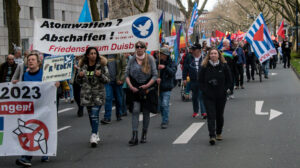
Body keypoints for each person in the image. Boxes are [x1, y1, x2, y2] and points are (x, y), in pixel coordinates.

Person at [15, 53, 60, 167]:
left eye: (33, 60)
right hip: (31, 107)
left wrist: (56, 84)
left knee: (44, 128)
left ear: (38, 62)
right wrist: (16, 84)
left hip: (45, 106)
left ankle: (43, 153)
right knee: (30, 129)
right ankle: (27, 157)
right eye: (29, 60)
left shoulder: (44, 74)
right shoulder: (25, 75)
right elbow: (23, 89)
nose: (30, 61)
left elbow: (52, 86)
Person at [76, 47, 110, 147]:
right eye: (91, 53)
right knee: (91, 115)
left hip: (98, 94)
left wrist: (100, 75)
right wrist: (80, 76)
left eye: (95, 53)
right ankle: (95, 131)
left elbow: (107, 79)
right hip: (87, 95)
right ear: (87, 55)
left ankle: (94, 134)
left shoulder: (102, 66)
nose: (93, 55)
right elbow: (78, 82)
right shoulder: (83, 66)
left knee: (95, 113)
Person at [126, 41, 158, 146]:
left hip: (147, 88)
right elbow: (126, 74)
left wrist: (147, 85)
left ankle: (144, 134)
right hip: (135, 87)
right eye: (137, 47)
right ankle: (134, 135)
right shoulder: (131, 60)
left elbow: (155, 75)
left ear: (144, 48)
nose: (139, 49)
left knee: (145, 111)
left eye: (141, 47)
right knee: (135, 110)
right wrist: (130, 86)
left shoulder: (150, 59)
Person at [199, 48, 232, 145]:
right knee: (211, 115)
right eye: (211, 53)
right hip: (208, 96)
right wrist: (205, 90)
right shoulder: (204, 66)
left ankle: (218, 132)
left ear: (219, 55)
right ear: (209, 55)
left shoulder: (224, 66)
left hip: (221, 95)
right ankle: (212, 136)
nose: (213, 55)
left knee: (219, 115)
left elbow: (229, 80)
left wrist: (225, 89)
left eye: (215, 53)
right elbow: (200, 81)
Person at [182, 41, 207, 119]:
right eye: (192, 49)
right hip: (193, 80)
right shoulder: (189, 57)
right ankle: (195, 111)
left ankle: (203, 112)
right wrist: (184, 78)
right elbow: (185, 68)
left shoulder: (204, 57)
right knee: (194, 97)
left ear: (199, 50)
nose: (192, 51)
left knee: (201, 96)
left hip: (202, 80)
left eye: (194, 49)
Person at [101, 53, 127, 124]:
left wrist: (121, 79)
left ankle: (119, 114)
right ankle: (107, 117)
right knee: (108, 98)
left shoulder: (120, 55)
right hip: (108, 81)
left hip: (118, 81)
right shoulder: (103, 55)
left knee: (119, 99)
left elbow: (124, 68)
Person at [156, 47, 177, 129]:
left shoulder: (171, 63)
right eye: (161, 54)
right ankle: (164, 116)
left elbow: (172, 73)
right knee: (160, 105)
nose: (162, 56)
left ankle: (165, 120)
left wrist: (165, 67)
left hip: (167, 86)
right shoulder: (156, 62)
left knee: (165, 104)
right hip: (158, 87)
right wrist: (156, 79)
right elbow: (152, 73)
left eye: (164, 55)